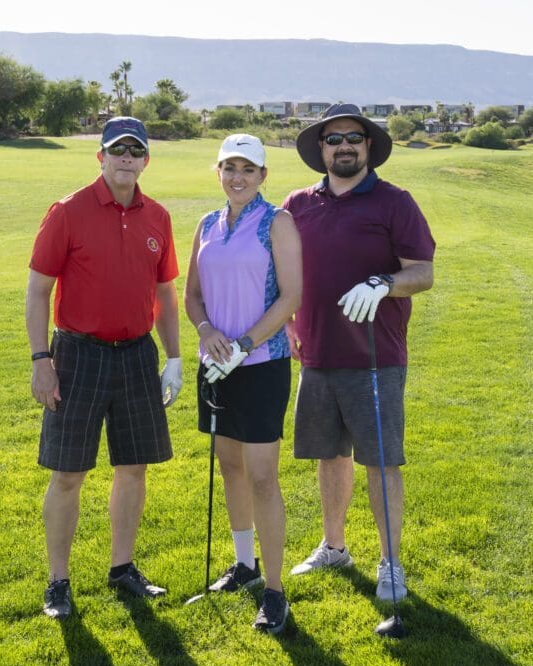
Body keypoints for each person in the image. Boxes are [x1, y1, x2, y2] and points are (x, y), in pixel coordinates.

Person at [26, 116, 183, 620]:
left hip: (137, 354)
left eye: (135, 151)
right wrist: (41, 360)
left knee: (133, 468)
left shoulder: (157, 216)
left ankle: (122, 568)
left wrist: (174, 357)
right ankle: (58, 581)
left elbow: (165, 293)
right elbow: (38, 290)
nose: (126, 159)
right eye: (117, 150)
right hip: (78, 355)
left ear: (146, 161)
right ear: (101, 156)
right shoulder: (67, 211)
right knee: (68, 472)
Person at [282, 104, 435, 615]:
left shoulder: (395, 202)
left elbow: (422, 272)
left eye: (353, 137)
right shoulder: (297, 204)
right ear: (321, 149)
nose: (343, 146)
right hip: (317, 354)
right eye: (334, 139)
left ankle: (390, 560)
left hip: (376, 356)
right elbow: (282, 272)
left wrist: (384, 283)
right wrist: (288, 323)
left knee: (381, 460)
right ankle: (334, 547)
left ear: (368, 146)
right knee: (330, 455)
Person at [184, 134, 302, 634]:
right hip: (215, 365)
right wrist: (206, 331)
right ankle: (244, 564)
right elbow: (191, 296)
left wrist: (245, 345)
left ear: (262, 176)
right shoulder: (207, 224)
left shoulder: (277, 222)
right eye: (229, 168)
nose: (238, 177)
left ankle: (274, 591)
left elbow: (291, 296)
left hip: (260, 366)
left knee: (261, 477)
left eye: (248, 169)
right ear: (218, 172)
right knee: (229, 466)